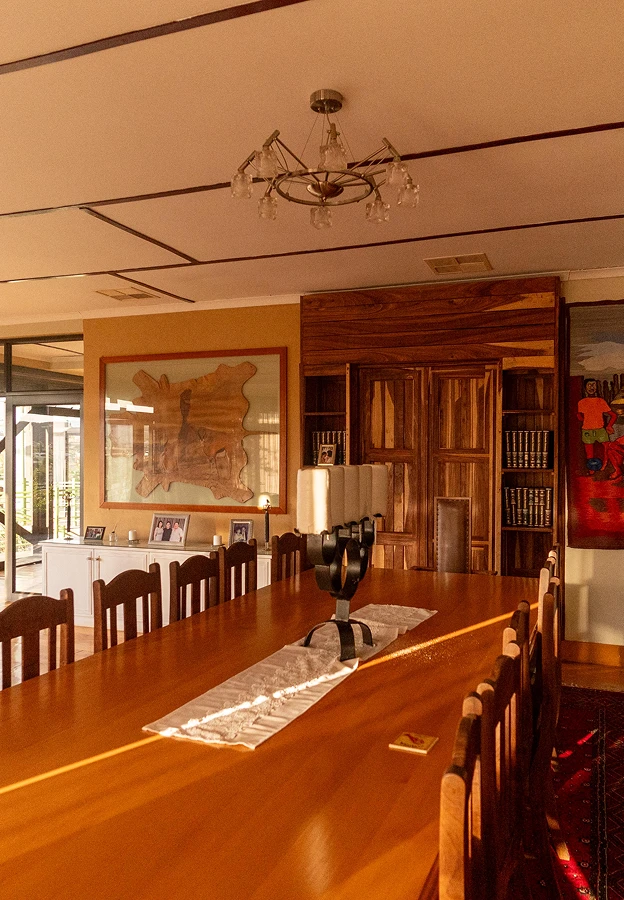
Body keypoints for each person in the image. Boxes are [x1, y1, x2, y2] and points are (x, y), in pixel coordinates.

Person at [577, 378, 617, 471]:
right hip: (587, 430)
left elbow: (614, 415)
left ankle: (605, 465)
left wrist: (609, 426)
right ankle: (591, 469)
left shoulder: (601, 401)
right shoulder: (582, 402)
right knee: (589, 452)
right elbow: (579, 416)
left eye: (593, 385)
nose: (592, 387)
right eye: (589, 385)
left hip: (600, 429)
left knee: (607, 448)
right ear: (585, 388)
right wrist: (584, 419)